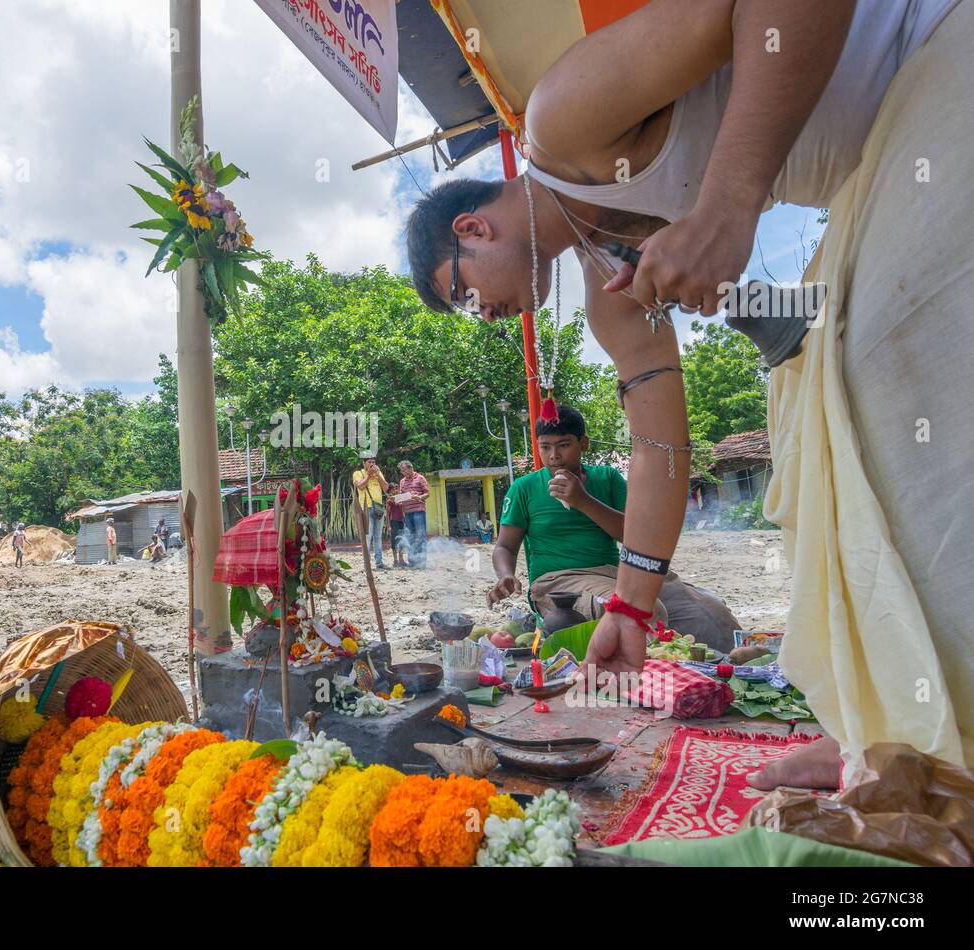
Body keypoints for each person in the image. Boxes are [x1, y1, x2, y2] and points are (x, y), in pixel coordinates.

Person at [406, 1, 970, 787]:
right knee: (805, 419)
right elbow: (659, 449)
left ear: (473, 230)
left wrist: (729, 205)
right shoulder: (610, 291)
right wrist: (631, 608)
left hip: (933, 54)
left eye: (464, 295)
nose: (485, 315)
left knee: (873, 371)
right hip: (875, 160)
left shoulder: (560, 120)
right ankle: (865, 724)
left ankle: (931, 744)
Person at [487, 406, 740, 649]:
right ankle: (644, 682)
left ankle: (720, 676)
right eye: (546, 447)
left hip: (620, 572)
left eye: (564, 445)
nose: (554, 455)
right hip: (559, 582)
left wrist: (583, 501)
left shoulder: (606, 478)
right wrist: (505, 575)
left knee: (710, 614)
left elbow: (634, 537)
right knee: (642, 611)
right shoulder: (524, 488)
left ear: (583, 444)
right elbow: (505, 547)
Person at [351, 456, 389, 569]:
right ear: (364, 463)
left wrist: (378, 476)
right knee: (368, 536)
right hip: (366, 508)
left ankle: (379, 563)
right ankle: (367, 564)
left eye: (373, 462)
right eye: (369, 462)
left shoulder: (378, 473)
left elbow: (386, 488)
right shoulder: (358, 473)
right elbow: (361, 486)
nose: (372, 464)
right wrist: (368, 475)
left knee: (378, 536)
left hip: (379, 508)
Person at [396, 460, 430, 569]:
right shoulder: (402, 481)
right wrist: (397, 500)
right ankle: (412, 561)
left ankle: (422, 562)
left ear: (411, 468)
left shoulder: (420, 478)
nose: (403, 473)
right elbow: (401, 496)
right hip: (407, 512)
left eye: (404, 470)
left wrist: (420, 497)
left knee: (420, 536)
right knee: (410, 537)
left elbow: (427, 493)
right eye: (401, 471)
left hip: (419, 510)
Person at [385, 493, 407, 568]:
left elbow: (404, 511)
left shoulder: (401, 500)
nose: (396, 492)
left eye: (397, 490)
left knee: (401, 540)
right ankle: (395, 560)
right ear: (391, 491)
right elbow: (387, 514)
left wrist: (401, 504)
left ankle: (401, 558)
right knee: (394, 541)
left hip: (401, 521)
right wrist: (388, 525)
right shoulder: (389, 501)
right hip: (393, 522)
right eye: (394, 490)